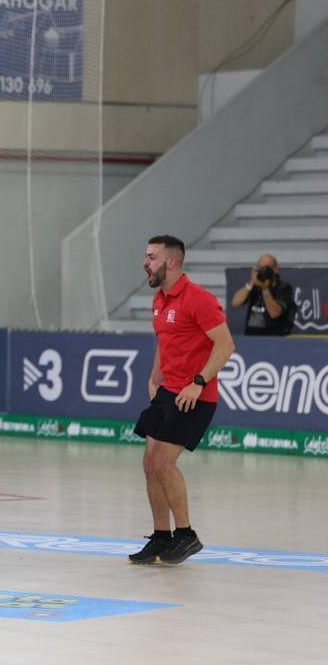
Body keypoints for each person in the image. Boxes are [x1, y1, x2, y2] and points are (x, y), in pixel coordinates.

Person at [131, 235, 235, 565]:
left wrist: (198, 382)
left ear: (171, 262)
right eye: (145, 255)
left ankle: (186, 534)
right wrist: (154, 375)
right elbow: (166, 339)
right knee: (149, 463)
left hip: (195, 396)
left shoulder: (198, 299)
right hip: (168, 392)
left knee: (163, 461)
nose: (145, 262)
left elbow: (225, 345)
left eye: (151, 256)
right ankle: (162, 537)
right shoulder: (160, 299)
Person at [229, 253, 294, 336]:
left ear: (275, 269)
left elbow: (274, 313)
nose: (263, 271)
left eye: (266, 268)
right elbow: (235, 303)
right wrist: (251, 283)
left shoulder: (283, 287)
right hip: (251, 336)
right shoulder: (254, 286)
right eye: (260, 268)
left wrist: (265, 289)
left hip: (273, 337)